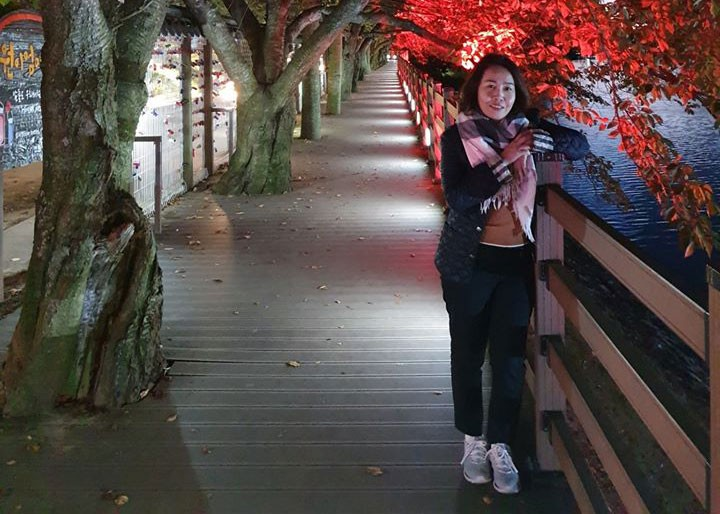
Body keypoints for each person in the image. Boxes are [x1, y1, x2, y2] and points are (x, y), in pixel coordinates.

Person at [434, 53, 589, 494]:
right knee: (468, 354)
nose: (498, 95)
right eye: (490, 86)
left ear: (516, 94)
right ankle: (472, 440)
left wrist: (536, 135)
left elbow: (580, 146)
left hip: (516, 264)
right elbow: (460, 198)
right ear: (475, 91)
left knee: (509, 358)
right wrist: (505, 157)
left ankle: (500, 442)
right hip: (468, 264)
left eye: (506, 88)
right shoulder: (456, 138)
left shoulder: (526, 131)